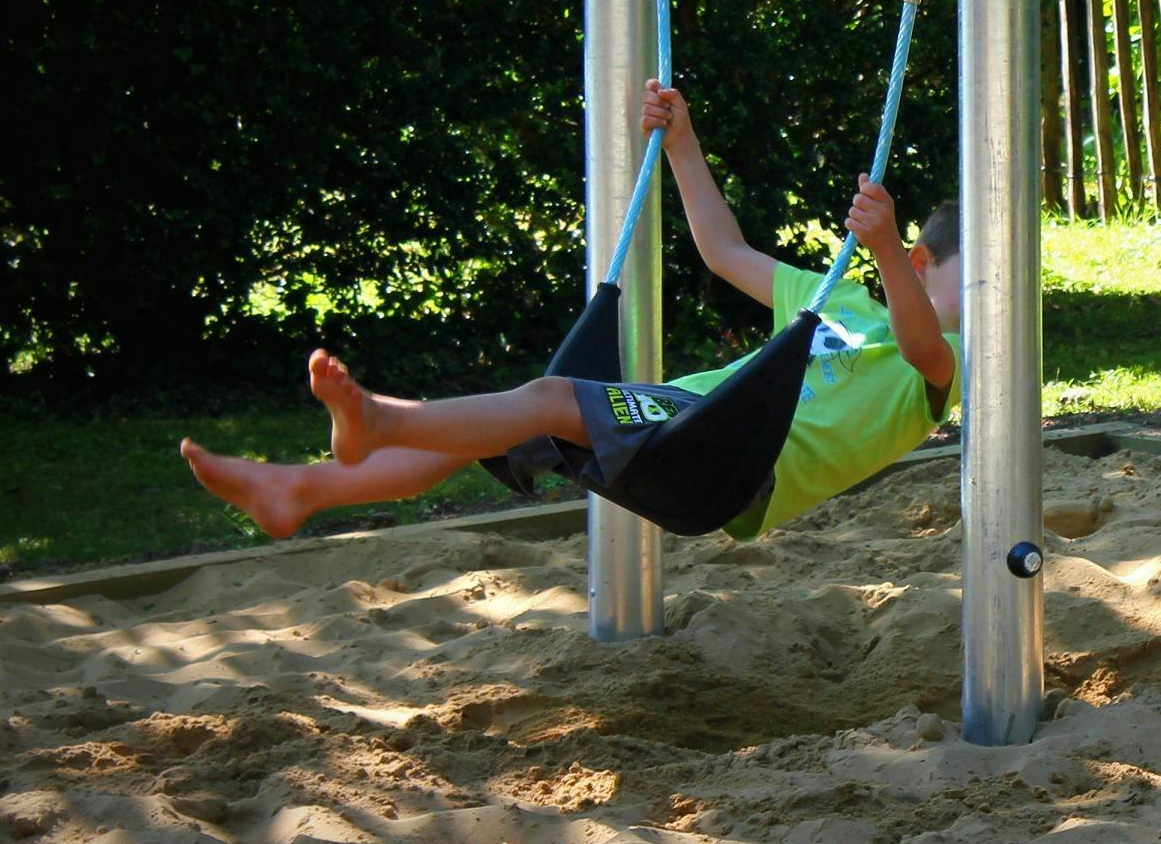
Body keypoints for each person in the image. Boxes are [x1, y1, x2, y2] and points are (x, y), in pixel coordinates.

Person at [181, 80, 961, 541]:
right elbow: (723, 250)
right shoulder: (831, 297)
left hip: (729, 461)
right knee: (506, 422)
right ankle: (300, 491)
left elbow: (921, 346)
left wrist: (886, 246)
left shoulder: (936, 367)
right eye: (982, 281)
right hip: (691, 427)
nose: (991, 306)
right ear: (929, 263)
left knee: (551, 398)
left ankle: (380, 419)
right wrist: (683, 142)